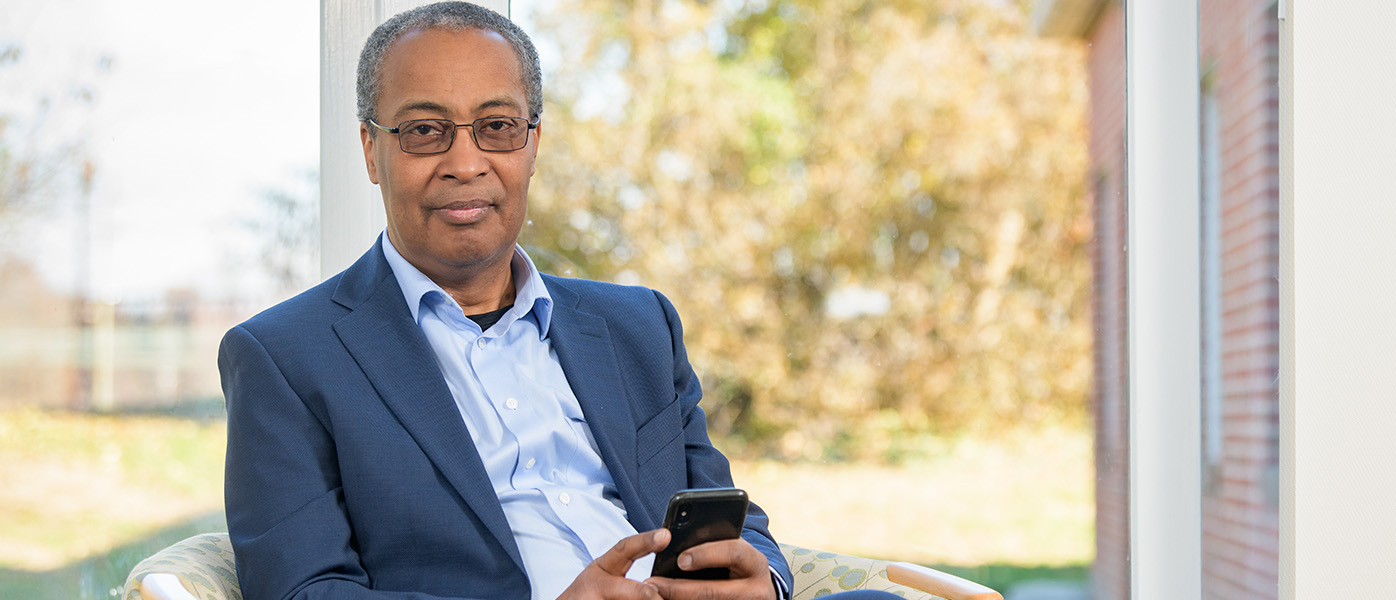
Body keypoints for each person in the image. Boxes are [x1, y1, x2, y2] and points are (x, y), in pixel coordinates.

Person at [220, 4, 897, 600]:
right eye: (426, 131)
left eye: (497, 126)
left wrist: (766, 580)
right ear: (373, 151)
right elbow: (305, 591)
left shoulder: (639, 326)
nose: (465, 161)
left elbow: (732, 514)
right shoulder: (284, 357)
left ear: (533, 145)